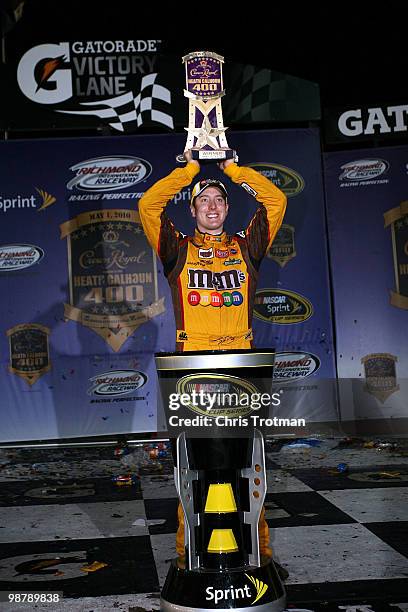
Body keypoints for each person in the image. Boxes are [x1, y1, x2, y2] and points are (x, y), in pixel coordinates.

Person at [138, 150, 287, 576]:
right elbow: (148, 205)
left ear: (228, 206)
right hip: (193, 362)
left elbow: (276, 202)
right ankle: (188, 554)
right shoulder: (176, 247)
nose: (213, 206)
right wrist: (187, 173)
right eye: (204, 200)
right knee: (192, 460)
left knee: (248, 458)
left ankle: (262, 555)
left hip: (242, 360)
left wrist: (234, 172)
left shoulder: (246, 245)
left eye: (220, 199)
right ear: (192, 208)